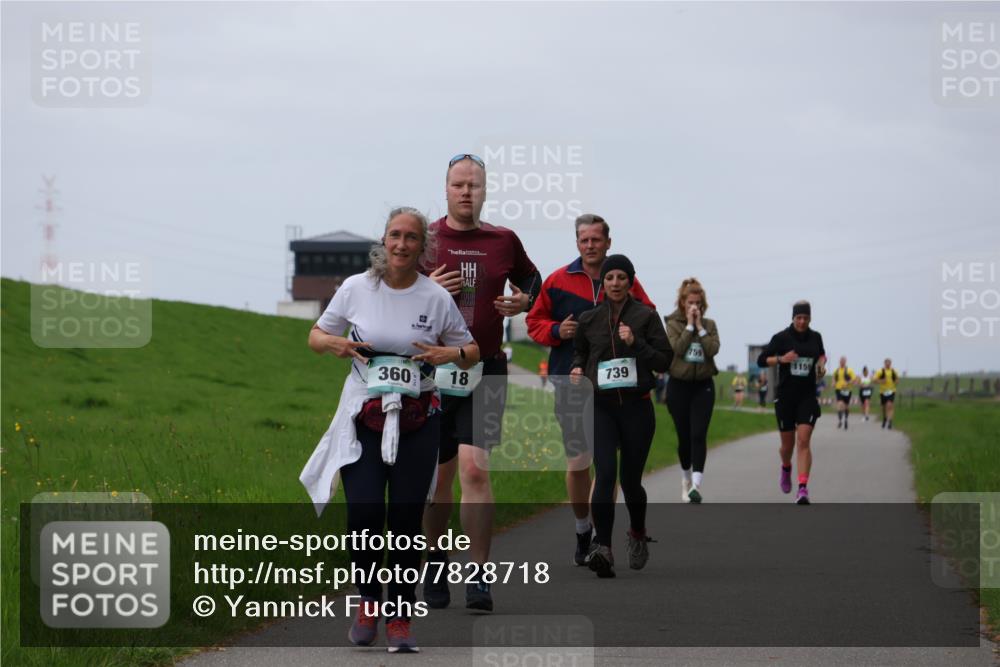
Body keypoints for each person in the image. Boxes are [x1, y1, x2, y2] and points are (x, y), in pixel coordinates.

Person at [299, 208, 480, 653]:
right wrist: (336, 343)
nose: (401, 245)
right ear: (383, 241)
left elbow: (471, 350)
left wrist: (447, 355)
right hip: (364, 417)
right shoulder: (356, 288)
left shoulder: (435, 297)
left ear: (423, 247)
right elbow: (315, 336)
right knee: (363, 514)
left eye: (411, 238)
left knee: (403, 520)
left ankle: (399, 614)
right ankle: (367, 603)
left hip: (418, 419)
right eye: (394, 236)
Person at [422, 154, 542, 613]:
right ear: (446, 188)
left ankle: (479, 576)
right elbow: (390, 289)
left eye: (474, 184)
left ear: (485, 190)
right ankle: (434, 561)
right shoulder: (426, 239)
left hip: (486, 369)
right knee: (437, 478)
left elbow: (530, 279)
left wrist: (523, 302)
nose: (466, 192)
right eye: (458, 184)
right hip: (431, 369)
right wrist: (425, 284)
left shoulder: (502, 240)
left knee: (474, 468)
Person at [525, 213, 655, 565]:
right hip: (570, 381)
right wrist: (557, 332)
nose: (591, 245)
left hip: (615, 389)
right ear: (577, 242)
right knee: (578, 461)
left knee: (605, 465)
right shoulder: (557, 280)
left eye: (596, 239)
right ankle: (583, 528)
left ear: (608, 242)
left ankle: (602, 537)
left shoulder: (623, 279)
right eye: (584, 239)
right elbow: (534, 322)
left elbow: (648, 317)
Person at [570, 255, 672, 577]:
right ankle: (603, 548)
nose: (615, 283)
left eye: (621, 278)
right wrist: (576, 368)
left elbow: (665, 361)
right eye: (609, 277)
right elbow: (581, 352)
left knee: (630, 482)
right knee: (605, 474)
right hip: (601, 407)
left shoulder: (646, 316)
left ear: (630, 282)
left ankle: (637, 534)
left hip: (637, 407)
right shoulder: (589, 319)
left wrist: (636, 342)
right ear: (603, 282)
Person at [757, 301, 827, 505]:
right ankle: (786, 467)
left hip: (807, 396)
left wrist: (821, 365)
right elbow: (762, 360)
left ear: (810, 318)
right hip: (786, 397)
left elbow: (821, 354)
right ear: (793, 318)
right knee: (786, 446)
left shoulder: (816, 337)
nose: (802, 321)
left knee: (803, 440)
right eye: (799, 318)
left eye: (806, 318)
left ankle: (803, 488)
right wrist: (781, 359)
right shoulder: (781, 338)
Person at [663, 278, 720, 504]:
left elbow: (712, 349)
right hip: (679, 386)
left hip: (703, 386)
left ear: (702, 304)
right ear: (682, 304)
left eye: (697, 303)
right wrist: (688, 326)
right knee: (684, 438)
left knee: (698, 434)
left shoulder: (710, 324)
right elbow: (676, 349)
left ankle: (696, 485)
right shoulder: (673, 325)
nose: (694, 307)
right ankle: (685, 478)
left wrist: (699, 328)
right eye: (690, 303)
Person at [873, 358, 899, 429]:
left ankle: (890, 421)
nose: (888, 364)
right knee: (883, 407)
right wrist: (881, 381)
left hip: (892, 391)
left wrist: (896, 382)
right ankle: (884, 418)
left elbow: (897, 379)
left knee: (889, 405)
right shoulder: (880, 371)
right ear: (884, 364)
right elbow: (874, 380)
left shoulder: (893, 371)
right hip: (883, 392)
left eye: (889, 363)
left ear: (890, 364)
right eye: (886, 363)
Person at [832, 357, 857, 430]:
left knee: (846, 406)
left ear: (845, 362)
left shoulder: (849, 370)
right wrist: (833, 383)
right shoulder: (836, 370)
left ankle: (846, 419)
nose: (842, 362)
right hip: (839, 389)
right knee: (840, 404)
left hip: (847, 390)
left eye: (843, 361)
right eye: (841, 361)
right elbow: (834, 378)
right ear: (839, 362)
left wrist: (848, 383)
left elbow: (854, 379)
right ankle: (840, 420)